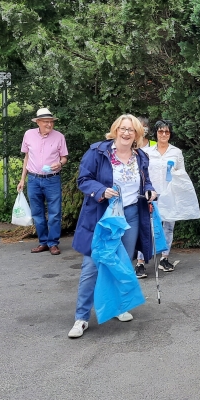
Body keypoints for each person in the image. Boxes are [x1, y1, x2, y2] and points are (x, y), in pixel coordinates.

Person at [68, 115, 158, 338]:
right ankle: (81, 317)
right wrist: (100, 190)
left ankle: (118, 307)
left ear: (137, 135)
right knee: (91, 265)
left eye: (131, 130)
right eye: (123, 129)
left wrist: (150, 190)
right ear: (115, 130)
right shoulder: (98, 152)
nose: (126, 133)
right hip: (103, 215)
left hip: (130, 215)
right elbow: (83, 179)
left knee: (122, 263)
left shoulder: (141, 157)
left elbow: (145, 181)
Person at [17, 107, 68, 255]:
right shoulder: (28, 135)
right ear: (38, 122)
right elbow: (26, 158)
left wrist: (60, 163)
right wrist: (22, 180)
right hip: (33, 179)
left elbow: (64, 157)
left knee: (55, 213)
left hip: (52, 179)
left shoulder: (59, 137)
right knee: (37, 213)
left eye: (51, 122)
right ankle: (43, 242)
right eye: (46, 122)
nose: (49, 125)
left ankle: (53, 243)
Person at [144, 119, 184, 273]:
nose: (164, 134)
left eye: (167, 131)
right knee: (148, 228)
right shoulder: (147, 152)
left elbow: (181, 174)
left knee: (168, 228)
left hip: (169, 194)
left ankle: (164, 259)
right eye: (161, 131)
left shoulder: (176, 152)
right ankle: (141, 262)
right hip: (152, 194)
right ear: (156, 133)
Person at [134, 116, 155, 278]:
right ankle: (137, 262)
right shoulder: (128, 147)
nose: (144, 128)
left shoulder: (152, 147)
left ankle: (143, 261)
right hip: (132, 196)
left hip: (151, 192)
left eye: (145, 126)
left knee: (148, 229)